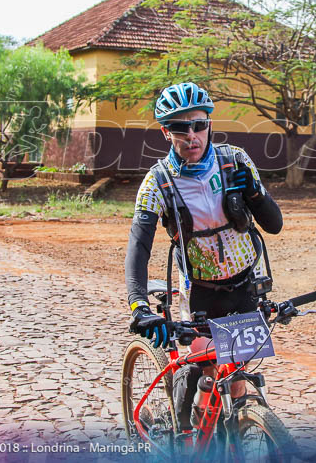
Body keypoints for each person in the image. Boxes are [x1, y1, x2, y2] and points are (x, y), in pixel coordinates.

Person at [124, 81, 283, 432]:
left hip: (245, 283)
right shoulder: (157, 182)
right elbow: (139, 244)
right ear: (166, 132)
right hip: (199, 292)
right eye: (181, 128)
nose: (192, 135)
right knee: (206, 372)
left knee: (239, 373)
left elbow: (273, 225)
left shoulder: (236, 161)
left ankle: (242, 429)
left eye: (199, 125)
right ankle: (185, 438)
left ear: (210, 123)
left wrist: (255, 194)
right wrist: (138, 306)